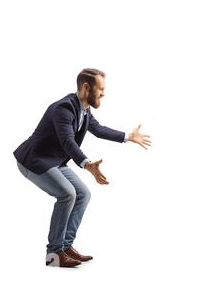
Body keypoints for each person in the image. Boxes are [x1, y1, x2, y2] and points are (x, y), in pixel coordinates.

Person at [14, 68, 151, 267]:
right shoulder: (64, 109)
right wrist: (87, 165)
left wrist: (128, 137)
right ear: (86, 87)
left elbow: (98, 129)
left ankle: (65, 247)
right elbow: (68, 142)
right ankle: (53, 254)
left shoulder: (83, 108)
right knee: (67, 194)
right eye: (100, 89)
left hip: (54, 160)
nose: (103, 93)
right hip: (34, 160)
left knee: (83, 194)